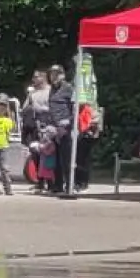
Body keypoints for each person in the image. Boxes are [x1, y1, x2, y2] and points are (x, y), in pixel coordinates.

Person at [46, 64, 76, 196]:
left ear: (62, 75)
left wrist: (69, 121)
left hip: (66, 127)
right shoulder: (52, 89)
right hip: (54, 127)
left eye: (56, 74)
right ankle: (57, 185)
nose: (53, 77)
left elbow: (75, 107)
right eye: (51, 75)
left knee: (67, 158)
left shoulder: (68, 88)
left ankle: (70, 185)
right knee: (56, 158)